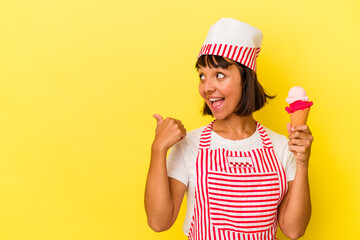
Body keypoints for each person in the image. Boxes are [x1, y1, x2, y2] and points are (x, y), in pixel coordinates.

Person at [145, 18, 313, 240]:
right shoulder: (190, 145)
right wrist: (158, 149)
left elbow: (294, 230)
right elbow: (159, 222)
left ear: (246, 79)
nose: (207, 87)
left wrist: (302, 162)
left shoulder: (281, 146)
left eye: (220, 75)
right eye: (202, 76)